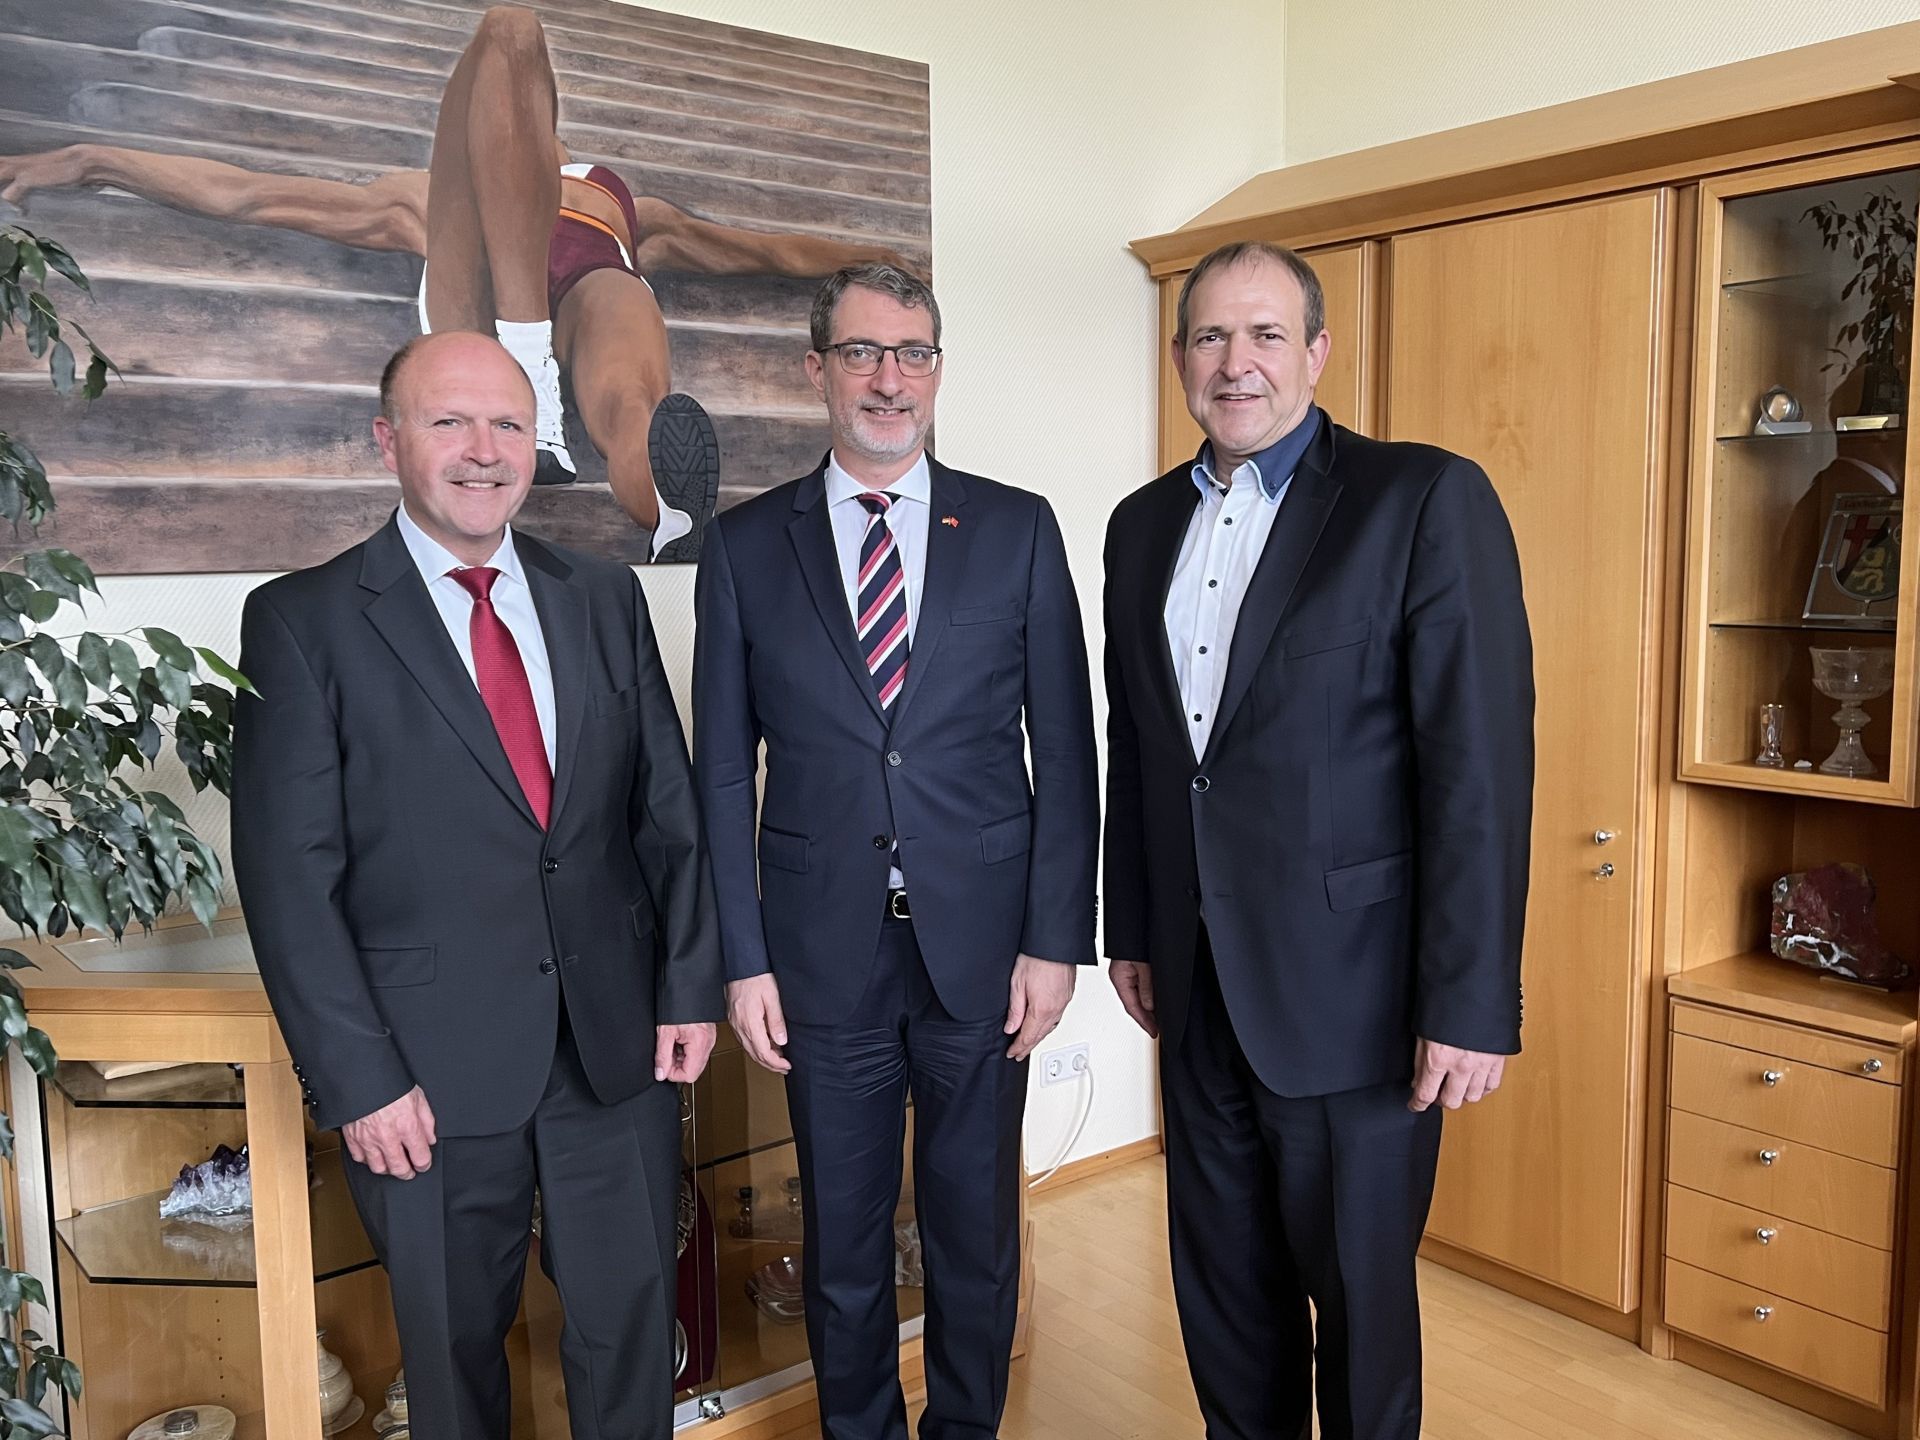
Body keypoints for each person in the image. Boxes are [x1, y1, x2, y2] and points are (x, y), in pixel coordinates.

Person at [231, 330, 723, 1440]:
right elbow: (286, 879)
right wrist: (358, 1080)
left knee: (632, 1335)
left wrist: (690, 986)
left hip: (614, 1054)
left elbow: (669, 818)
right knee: (453, 1369)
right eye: (449, 421)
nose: (483, 450)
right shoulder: (303, 623)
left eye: (508, 423)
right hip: (422, 1081)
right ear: (387, 440)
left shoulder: (600, 597)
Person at [1100, 240, 1534, 1440]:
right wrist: (1130, 928)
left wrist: (1472, 999)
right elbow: (1140, 753)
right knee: (1225, 1313)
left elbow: (1478, 769)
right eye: (1209, 338)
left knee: (1360, 1325)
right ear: (1182, 356)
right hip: (1194, 995)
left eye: (1266, 335)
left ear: (1318, 352)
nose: (1235, 364)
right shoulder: (1139, 529)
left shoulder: (1419, 499)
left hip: (1359, 1009)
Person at [0, 5, 908, 560]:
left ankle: (668, 513)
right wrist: (90, 158)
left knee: (634, 395)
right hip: (477, 305)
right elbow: (246, 194)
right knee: (510, 25)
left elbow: (766, 251)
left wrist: (904, 265)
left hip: (592, 287)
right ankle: (522, 363)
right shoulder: (428, 195)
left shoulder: (616, 199)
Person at [692, 263, 1099, 1440]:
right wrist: (744, 956)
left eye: (912, 353)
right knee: (846, 1239)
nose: (889, 379)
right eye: (863, 353)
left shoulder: (1016, 528)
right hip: (823, 961)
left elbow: (1067, 754)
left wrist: (1054, 942)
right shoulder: (745, 546)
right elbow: (726, 771)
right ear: (816, 368)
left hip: (986, 953)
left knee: (976, 1231)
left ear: (935, 370)